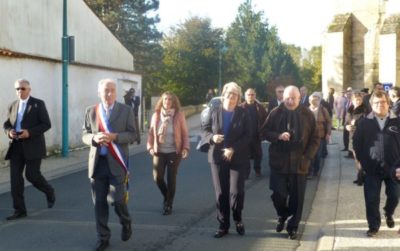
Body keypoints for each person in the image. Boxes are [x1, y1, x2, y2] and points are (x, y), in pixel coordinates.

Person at [82, 79, 135, 251]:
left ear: (116, 92)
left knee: (118, 200)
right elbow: (84, 134)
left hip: (117, 164)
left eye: (112, 90)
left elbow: (133, 135)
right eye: (106, 90)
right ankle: (103, 237)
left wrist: (115, 137)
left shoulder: (126, 110)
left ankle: (126, 222)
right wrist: (94, 138)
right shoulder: (91, 111)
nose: (109, 93)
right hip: (97, 164)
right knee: (99, 203)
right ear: (99, 92)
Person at [261, 85, 319, 240]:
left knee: (297, 199)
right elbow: (264, 132)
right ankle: (282, 214)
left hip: (300, 164)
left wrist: (307, 157)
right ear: (283, 97)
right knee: (278, 194)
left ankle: (293, 227)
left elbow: (315, 139)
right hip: (279, 163)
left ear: (300, 98)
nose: (290, 101)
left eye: (294, 98)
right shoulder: (275, 113)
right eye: (287, 98)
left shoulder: (307, 114)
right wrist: (278, 136)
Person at [201, 82, 250, 238]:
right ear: (224, 93)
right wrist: (212, 137)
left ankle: (238, 219)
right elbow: (204, 129)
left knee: (236, 191)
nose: (232, 96)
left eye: (235, 94)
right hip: (216, 155)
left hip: (237, 156)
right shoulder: (214, 110)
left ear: (238, 97)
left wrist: (233, 149)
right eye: (229, 93)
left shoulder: (243, 113)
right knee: (221, 192)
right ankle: (223, 224)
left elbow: (248, 135)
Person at [3, 79, 55, 221]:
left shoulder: (38, 104)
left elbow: (46, 124)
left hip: (33, 146)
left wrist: (29, 132)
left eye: (23, 88)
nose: (20, 91)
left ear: (29, 89)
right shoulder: (13, 105)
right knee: (15, 180)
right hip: (16, 146)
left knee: (32, 175)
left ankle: (49, 191)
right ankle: (19, 210)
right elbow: (7, 124)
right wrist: (9, 132)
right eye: (17, 89)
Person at [353, 90, 400, 237]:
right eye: (377, 103)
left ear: (389, 103)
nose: (380, 105)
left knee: (394, 196)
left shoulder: (397, 121)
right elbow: (356, 144)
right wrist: (361, 163)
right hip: (371, 169)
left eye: (383, 102)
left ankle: (388, 212)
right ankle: (373, 226)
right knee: (371, 199)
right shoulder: (364, 122)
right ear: (372, 105)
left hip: (394, 168)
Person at [147, 91, 189, 215]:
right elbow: (151, 133)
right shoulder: (156, 115)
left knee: (171, 178)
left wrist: (185, 148)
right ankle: (167, 196)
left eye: (170, 99)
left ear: (174, 102)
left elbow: (185, 134)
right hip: (159, 151)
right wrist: (150, 147)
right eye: (165, 99)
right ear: (162, 101)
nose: (167, 102)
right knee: (157, 177)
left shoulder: (179, 115)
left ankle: (168, 204)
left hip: (173, 151)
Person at [344, 91, 370, 186]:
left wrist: (357, 123)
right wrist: (347, 126)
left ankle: (362, 177)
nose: (358, 101)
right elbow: (346, 122)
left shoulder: (365, 110)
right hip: (352, 136)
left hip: (361, 137)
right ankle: (360, 176)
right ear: (352, 100)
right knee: (356, 158)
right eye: (356, 100)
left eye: (359, 99)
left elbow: (368, 124)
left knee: (360, 158)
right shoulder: (350, 109)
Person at [241, 88, 268, 178]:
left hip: (256, 136)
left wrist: (264, 132)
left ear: (255, 95)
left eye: (252, 94)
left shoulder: (260, 107)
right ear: (245, 96)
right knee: (245, 155)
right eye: (249, 94)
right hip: (245, 136)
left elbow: (266, 120)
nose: (250, 96)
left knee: (258, 154)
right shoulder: (241, 107)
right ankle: (246, 173)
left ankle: (257, 170)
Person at [307, 92, 331, 178]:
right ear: (309, 101)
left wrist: (328, 133)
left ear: (319, 100)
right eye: (313, 99)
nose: (315, 101)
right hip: (309, 136)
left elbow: (328, 122)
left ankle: (316, 171)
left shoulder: (323, 110)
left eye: (317, 99)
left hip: (320, 136)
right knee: (309, 154)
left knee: (317, 155)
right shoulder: (306, 110)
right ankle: (310, 171)